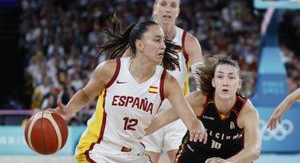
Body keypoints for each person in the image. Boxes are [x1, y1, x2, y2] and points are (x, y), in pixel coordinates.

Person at [54, 18, 207, 163]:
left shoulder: (168, 83)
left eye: (163, 40)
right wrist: (68, 111)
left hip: (133, 154)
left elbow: (189, 117)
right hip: (98, 151)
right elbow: (86, 94)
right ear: (139, 45)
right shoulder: (110, 69)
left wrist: (196, 126)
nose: (163, 45)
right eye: (156, 40)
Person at [145, 56, 261, 163]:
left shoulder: (246, 111)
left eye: (231, 77)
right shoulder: (198, 100)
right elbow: (160, 120)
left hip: (229, 158)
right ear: (213, 82)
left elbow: (254, 150)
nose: (225, 82)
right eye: (220, 77)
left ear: (239, 84)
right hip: (194, 155)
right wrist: (131, 134)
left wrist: (228, 162)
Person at [136, 0, 203, 162]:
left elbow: (203, 85)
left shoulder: (189, 42)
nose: (168, 9)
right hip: (145, 114)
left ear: (178, 11)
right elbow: (123, 76)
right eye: (163, 4)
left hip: (177, 116)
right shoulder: (138, 40)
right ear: (155, 8)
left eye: (173, 5)